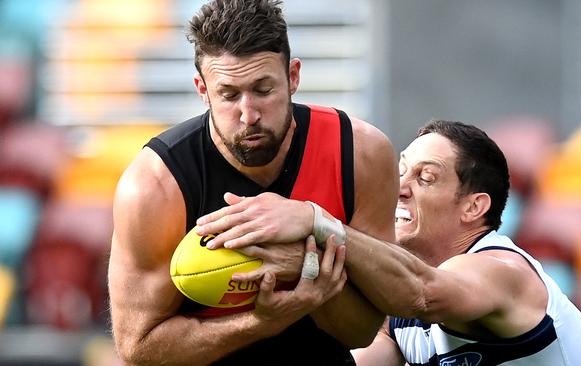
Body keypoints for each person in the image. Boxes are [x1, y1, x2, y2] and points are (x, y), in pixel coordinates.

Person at [107, 0, 399, 365]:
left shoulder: (358, 152)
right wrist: (262, 322)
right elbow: (139, 347)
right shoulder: (154, 184)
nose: (249, 115)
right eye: (229, 94)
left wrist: (305, 266)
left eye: (264, 90)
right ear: (202, 89)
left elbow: (362, 330)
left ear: (293, 76)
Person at [199, 120, 581, 365]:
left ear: (474, 207)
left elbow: (423, 292)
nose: (399, 188)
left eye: (426, 177)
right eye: (401, 171)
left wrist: (315, 221)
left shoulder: (501, 270)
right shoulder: (395, 313)